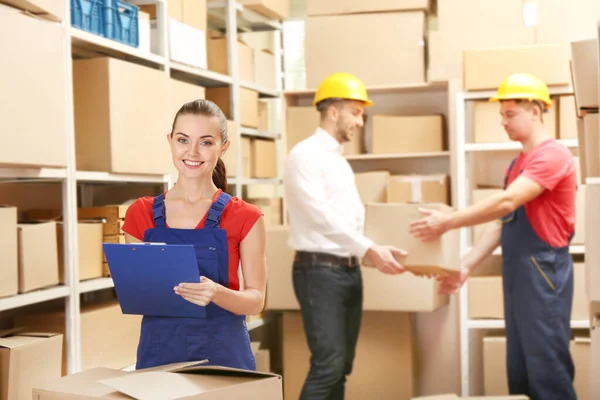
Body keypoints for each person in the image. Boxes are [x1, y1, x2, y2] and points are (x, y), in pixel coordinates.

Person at [409, 73, 577, 400]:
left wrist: (449, 222)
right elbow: (503, 222)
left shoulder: (553, 155)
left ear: (536, 111)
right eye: (501, 115)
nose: (503, 122)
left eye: (510, 113)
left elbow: (505, 202)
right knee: (521, 372)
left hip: (544, 272)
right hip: (518, 272)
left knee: (548, 373)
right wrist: (464, 267)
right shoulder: (518, 164)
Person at [283, 72, 407, 400]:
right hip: (319, 272)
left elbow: (350, 220)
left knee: (342, 366)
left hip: (347, 271)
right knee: (328, 366)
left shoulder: (338, 162)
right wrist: (369, 248)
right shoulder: (304, 156)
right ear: (333, 111)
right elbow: (318, 217)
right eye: (356, 112)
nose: (360, 122)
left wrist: (374, 248)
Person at [121, 99, 267, 371]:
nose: (192, 151)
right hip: (160, 353)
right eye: (183, 140)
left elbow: (256, 301)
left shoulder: (246, 216)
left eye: (206, 142)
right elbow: (144, 294)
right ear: (170, 141)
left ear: (224, 147)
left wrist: (216, 293)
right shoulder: (140, 214)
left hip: (225, 355)